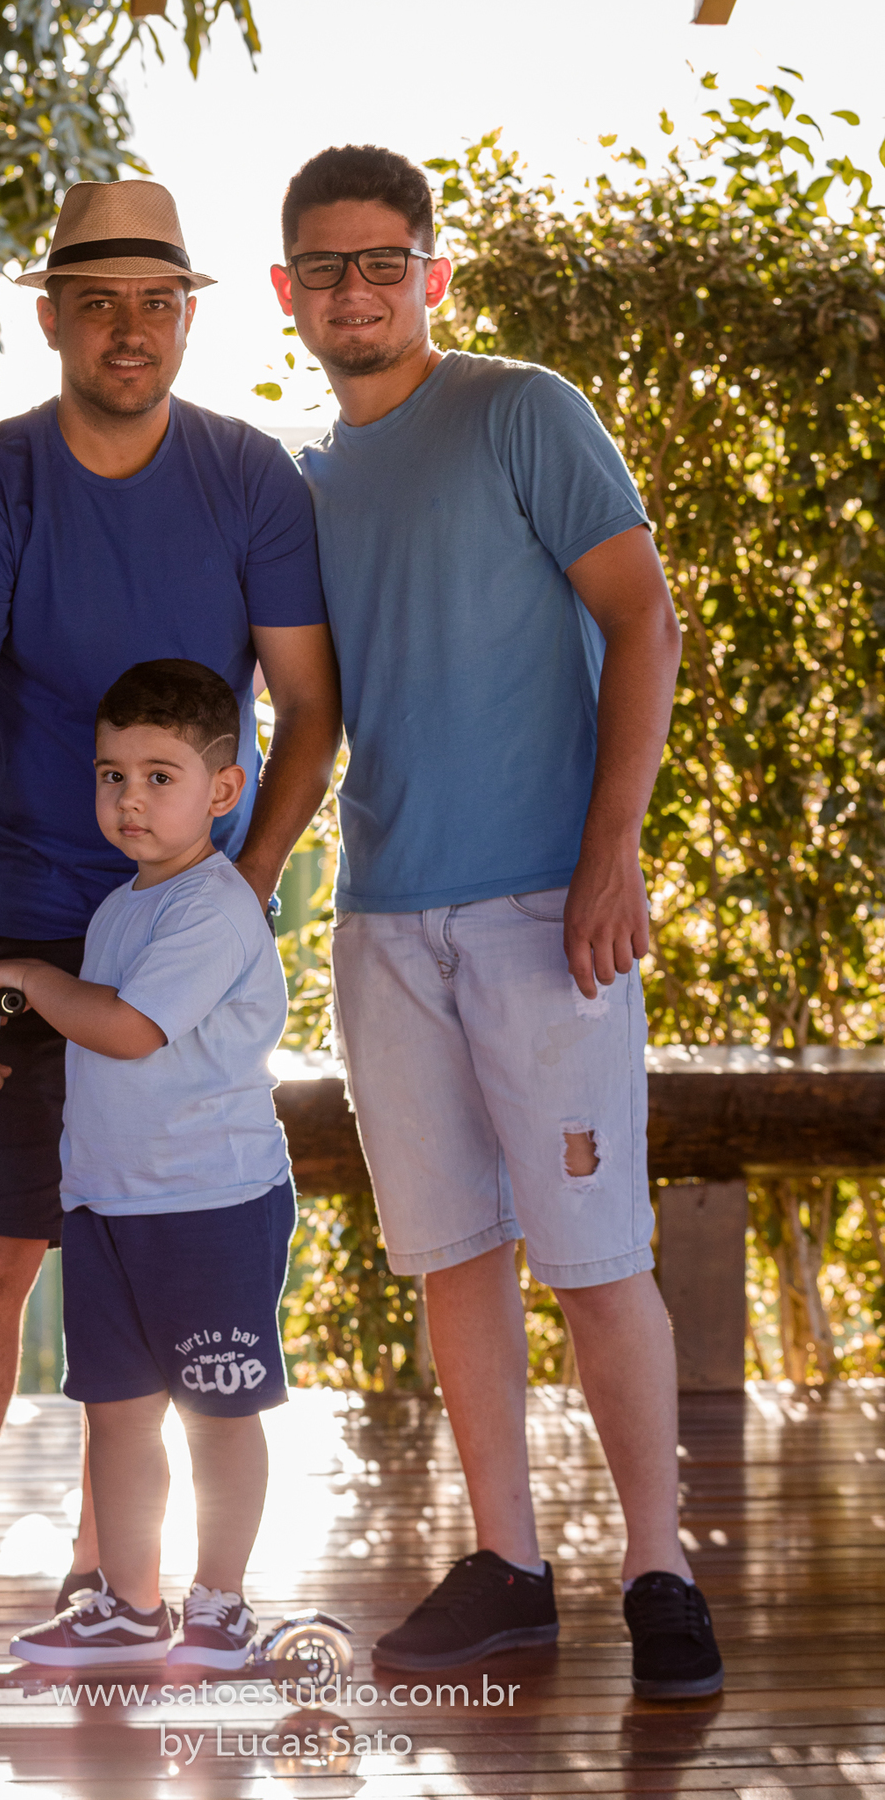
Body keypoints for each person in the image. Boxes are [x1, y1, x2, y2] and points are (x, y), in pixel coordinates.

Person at [269, 144, 723, 1700]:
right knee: (456, 1253)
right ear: (287, 295)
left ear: (430, 274)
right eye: (324, 267)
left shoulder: (523, 409)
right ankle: (510, 1566)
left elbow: (641, 613)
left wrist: (614, 851)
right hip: (388, 924)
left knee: (596, 1255)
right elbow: (312, 718)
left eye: (381, 260)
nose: (354, 289)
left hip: (549, 910)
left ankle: (658, 1569)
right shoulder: (304, 485)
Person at [0, 179, 340, 1659]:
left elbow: (310, 712)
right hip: (29, 919)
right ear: (52, 318)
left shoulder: (252, 480)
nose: (129, 329)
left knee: (145, 1255)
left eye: (157, 300)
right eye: (98, 302)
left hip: (178, 930)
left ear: (190, 312)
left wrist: (229, 891)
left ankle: (117, 1582)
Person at [0, 660, 294, 1670]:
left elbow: (128, 1029)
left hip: (211, 1205)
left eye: (162, 775)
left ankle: (224, 1605)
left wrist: (30, 977)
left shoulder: (212, 907)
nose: (130, 798)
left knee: (218, 1411)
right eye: (113, 774)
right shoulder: (124, 906)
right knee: (115, 1414)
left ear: (225, 789)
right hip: (109, 1206)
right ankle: (127, 1602)